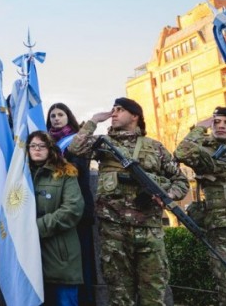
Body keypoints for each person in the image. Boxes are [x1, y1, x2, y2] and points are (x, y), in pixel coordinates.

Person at [67, 97, 189, 306]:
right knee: (119, 293)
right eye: (113, 110)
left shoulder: (155, 147)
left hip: (148, 229)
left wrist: (165, 194)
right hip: (114, 229)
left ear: (135, 116)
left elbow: (181, 181)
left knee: (153, 292)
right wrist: (94, 121)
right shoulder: (103, 144)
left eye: (119, 110)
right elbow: (74, 150)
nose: (113, 114)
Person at [174, 107, 226, 305]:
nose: (221, 126)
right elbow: (182, 152)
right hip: (224, 227)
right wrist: (199, 128)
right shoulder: (206, 152)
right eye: (217, 122)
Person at [47, 102, 96, 306]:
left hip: (78, 207)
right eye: (52, 116)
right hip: (53, 208)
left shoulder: (77, 141)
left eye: (60, 114)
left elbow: (78, 168)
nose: (56, 118)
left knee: (82, 260)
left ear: (69, 117)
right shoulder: (45, 143)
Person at [28, 130, 85, 306]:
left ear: (50, 148)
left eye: (42, 145)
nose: (37, 149)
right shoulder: (20, 175)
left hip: (60, 256)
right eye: (33, 146)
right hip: (30, 257)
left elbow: (73, 209)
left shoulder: (65, 173)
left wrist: (37, 227)